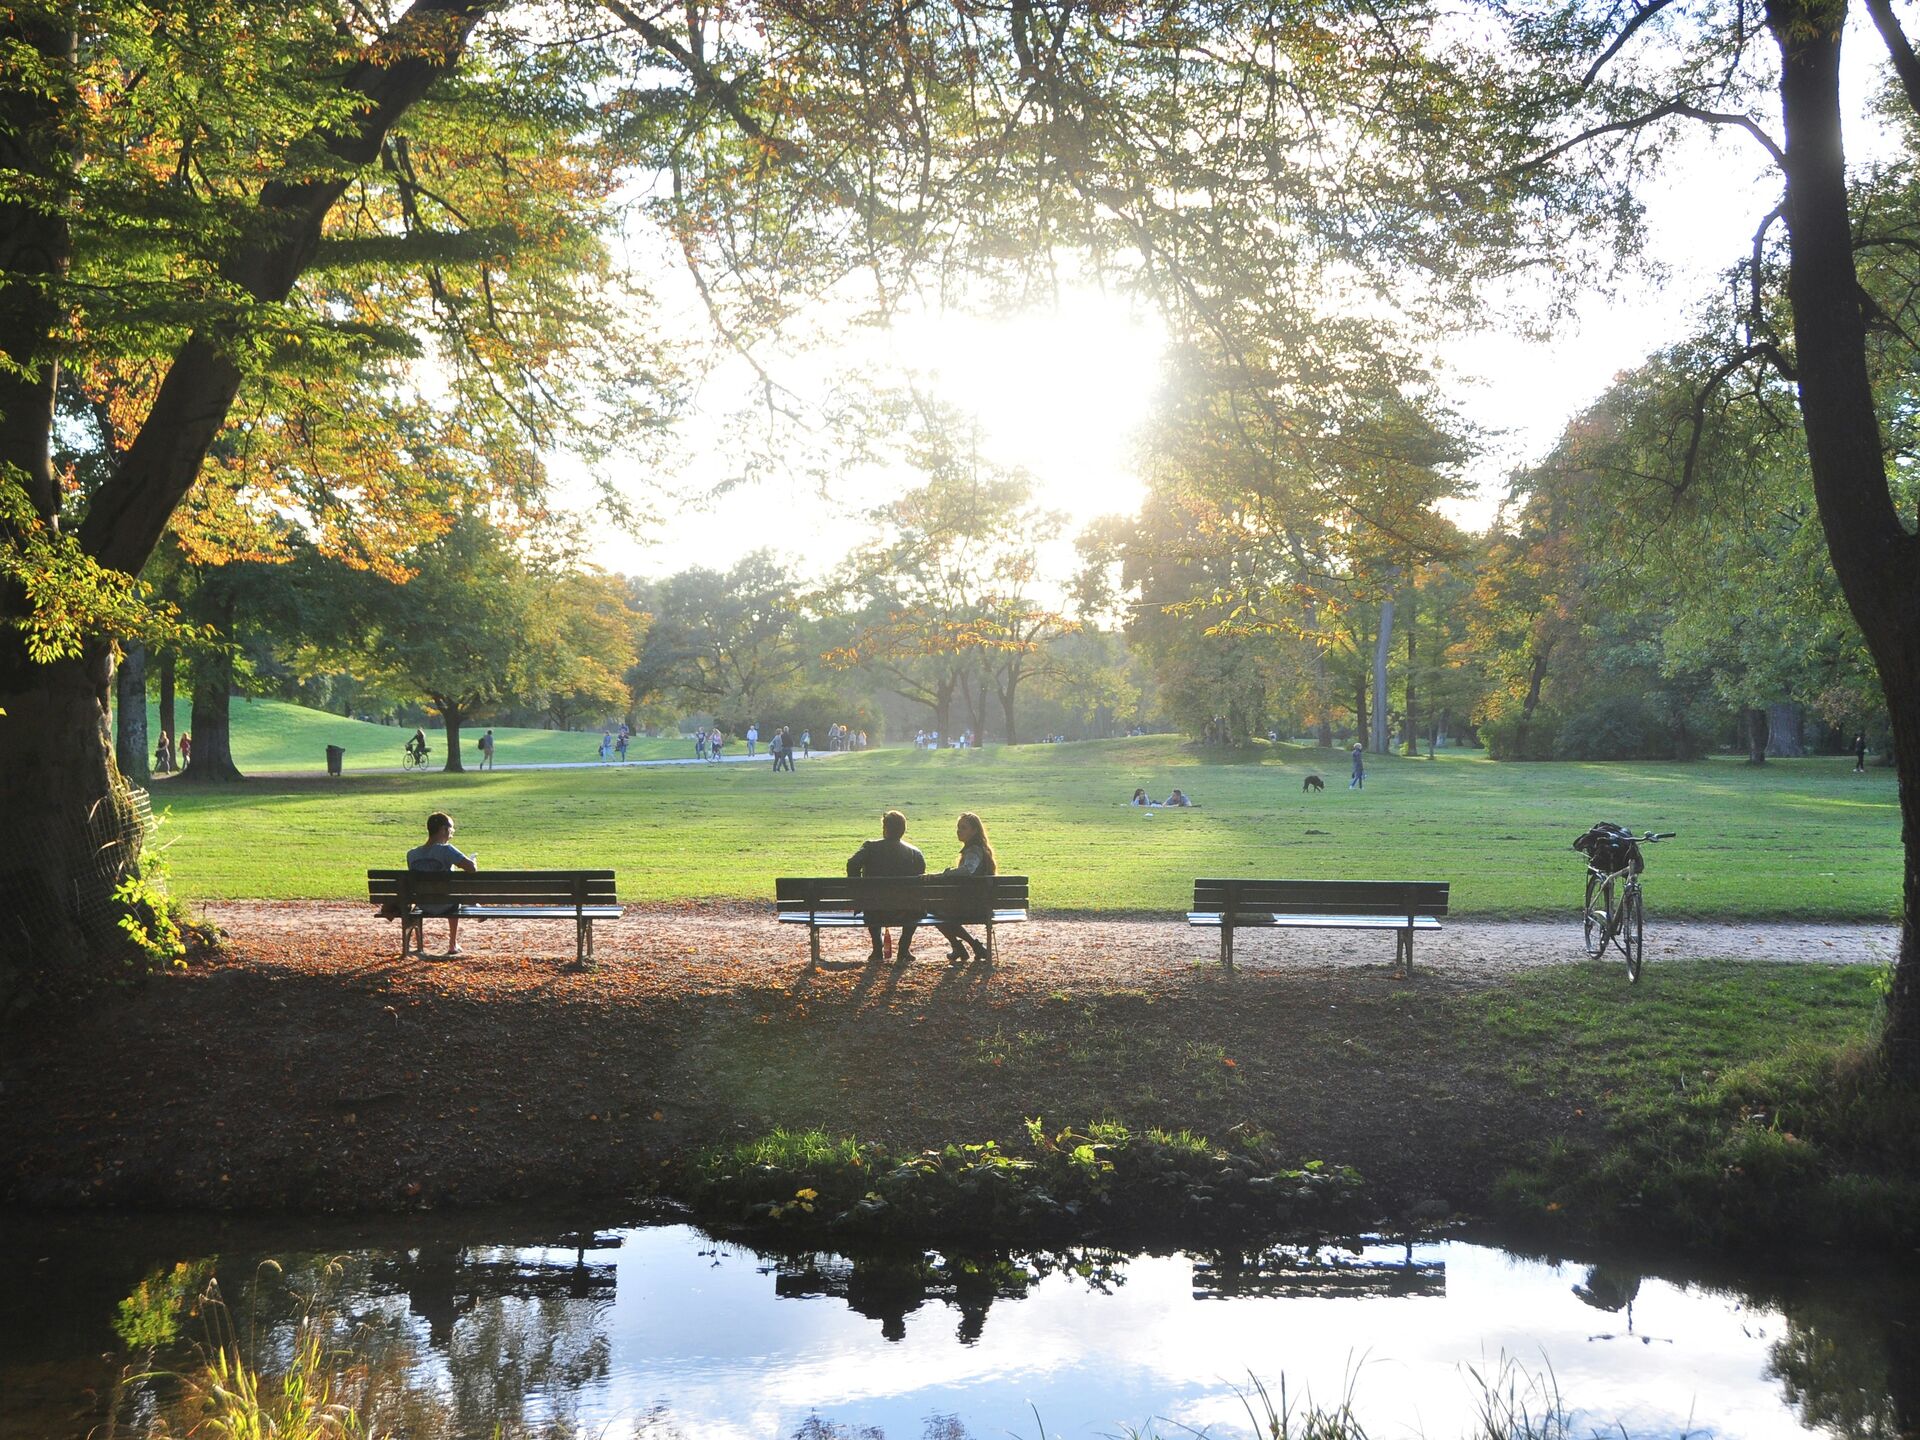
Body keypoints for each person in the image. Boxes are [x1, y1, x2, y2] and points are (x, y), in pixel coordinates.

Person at [847, 809, 926, 962]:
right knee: (915, 906)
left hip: (875, 910)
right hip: (906, 911)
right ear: (903, 830)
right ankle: (903, 949)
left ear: (885, 829)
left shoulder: (870, 847)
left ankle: (877, 949)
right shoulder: (915, 853)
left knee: (872, 901)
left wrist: (858, 891)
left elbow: (852, 864)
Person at [407, 810, 477, 956]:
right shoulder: (446, 850)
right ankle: (452, 944)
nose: (452, 833)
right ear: (444, 829)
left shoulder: (412, 854)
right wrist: (473, 860)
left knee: (449, 894)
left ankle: (417, 945)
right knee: (452, 897)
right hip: (447, 904)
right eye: (451, 829)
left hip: (423, 904)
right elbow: (471, 868)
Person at [935, 811, 997, 962]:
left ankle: (961, 947)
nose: (959, 830)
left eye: (963, 827)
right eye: (958, 827)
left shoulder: (974, 850)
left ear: (974, 830)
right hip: (982, 903)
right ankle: (973, 947)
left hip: (973, 906)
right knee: (937, 911)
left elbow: (968, 869)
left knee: (935, 911)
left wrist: (948, 873)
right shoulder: (981, 849)